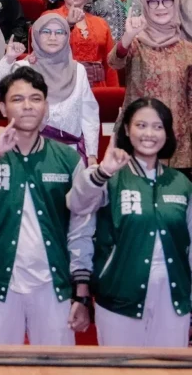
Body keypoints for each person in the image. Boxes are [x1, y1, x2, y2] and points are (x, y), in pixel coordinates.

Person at [0, 66, 93, 345]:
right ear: (2, 107)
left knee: (57, 369)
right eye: (17, 99)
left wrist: (81, 290)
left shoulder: (67, 159)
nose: (27, 106)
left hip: (53, 285)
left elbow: (81, 227)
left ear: (46, 107)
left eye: (36, 98)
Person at [67, 98, 192, 347]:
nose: (149, 133)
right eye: (141, 125)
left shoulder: (181, 183)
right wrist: (104, 170)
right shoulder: (109, 178)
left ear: (167, 133)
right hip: (119, 295)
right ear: (126, 130)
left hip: (173, 296)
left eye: (158, 127)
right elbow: (77, 204)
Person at [0, 13, 99, 164]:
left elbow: (89, 115)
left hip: (69, 154)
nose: (53, 37)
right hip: (30, 153)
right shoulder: (23, 68)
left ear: (67, 37)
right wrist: (9, 58)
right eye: (46, 32)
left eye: (60, 32)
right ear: (36, 35)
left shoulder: (78, 70)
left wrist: (92, 155)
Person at [109, 0, 192, 170]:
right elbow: (114, 62)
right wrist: (128, 37)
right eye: (153, 1)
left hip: (179, 141)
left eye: (167, 0)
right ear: (144, 5)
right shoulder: (136, 43)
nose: (160, 6)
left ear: (176, 2)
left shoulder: (187, 50)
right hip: (139, 136)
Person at [47, 0, 119, 88]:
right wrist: (67, 24)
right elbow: (43, 54)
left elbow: (110, 68)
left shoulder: (101, 24)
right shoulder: (48, 18)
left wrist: (112, 98)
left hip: (98, 91)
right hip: (61, 88)